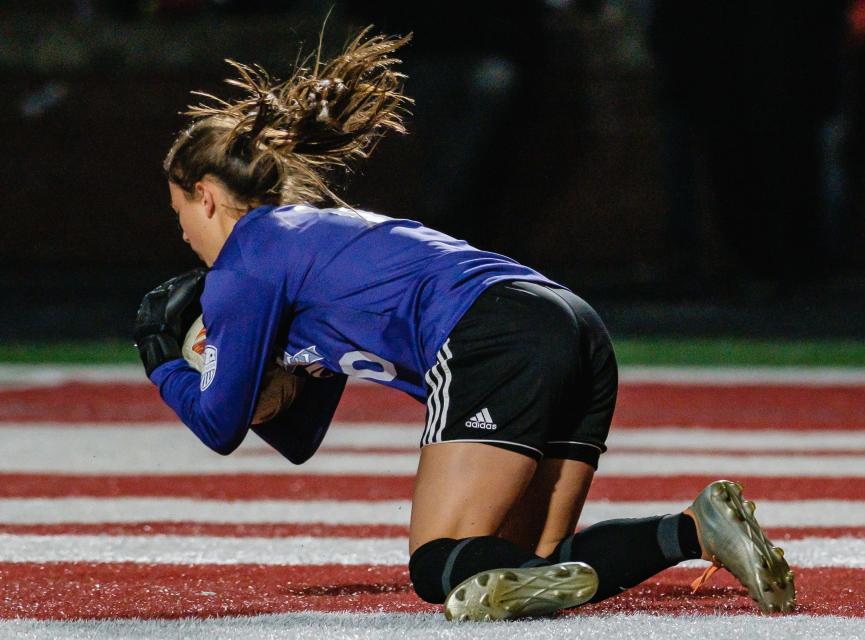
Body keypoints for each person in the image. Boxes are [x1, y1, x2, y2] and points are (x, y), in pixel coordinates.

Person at [133, 28, 796, 621]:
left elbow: (220, 426)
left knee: (437, 566)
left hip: (493, 332)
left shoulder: (246, 260)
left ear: (208, 197)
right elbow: (300, 434)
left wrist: (164, 360)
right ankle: (695, 529)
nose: (184, 235)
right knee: (530, 560)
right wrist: (263, 382)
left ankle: (681, 534)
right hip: (570, 324)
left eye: (180, 214)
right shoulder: (308, 244)